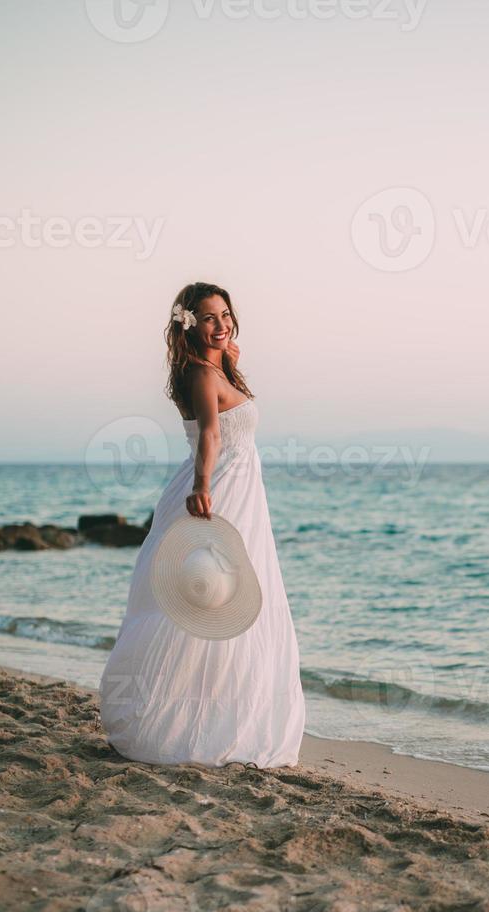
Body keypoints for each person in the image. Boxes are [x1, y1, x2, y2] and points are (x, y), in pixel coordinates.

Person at [98, 282, 305, 767]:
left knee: (228, 605)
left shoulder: (215, 368)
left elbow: (224, 416)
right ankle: (181, 724)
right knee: (206, 606)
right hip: (221, 492)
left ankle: (218, 717)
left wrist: (229, 353)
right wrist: (201, 484)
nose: (222, 324)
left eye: (226, 314)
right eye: (209, 318)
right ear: (190, 325)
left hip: (240, 494)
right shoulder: (199, 374)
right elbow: (211, 434)